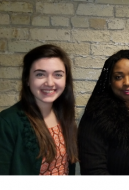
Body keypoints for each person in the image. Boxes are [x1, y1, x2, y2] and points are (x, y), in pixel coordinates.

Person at [0, 44, 78, 175]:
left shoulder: (64, 115)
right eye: (40, 74)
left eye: (58, 75)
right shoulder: (7, 122)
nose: (50, 83)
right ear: (27, 79)